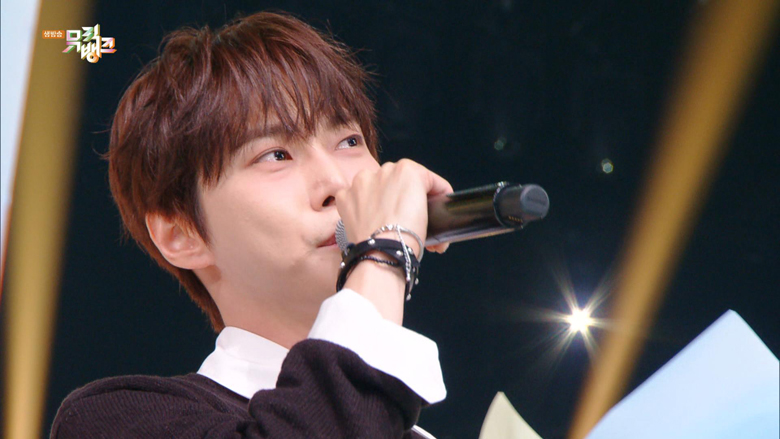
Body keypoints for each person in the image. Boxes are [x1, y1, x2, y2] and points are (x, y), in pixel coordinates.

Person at [51, 10, 453, 439]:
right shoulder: (113, 419)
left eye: (349, 141)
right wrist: (384, 252)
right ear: (181, 234)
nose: (338, 183)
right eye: (276, 155)